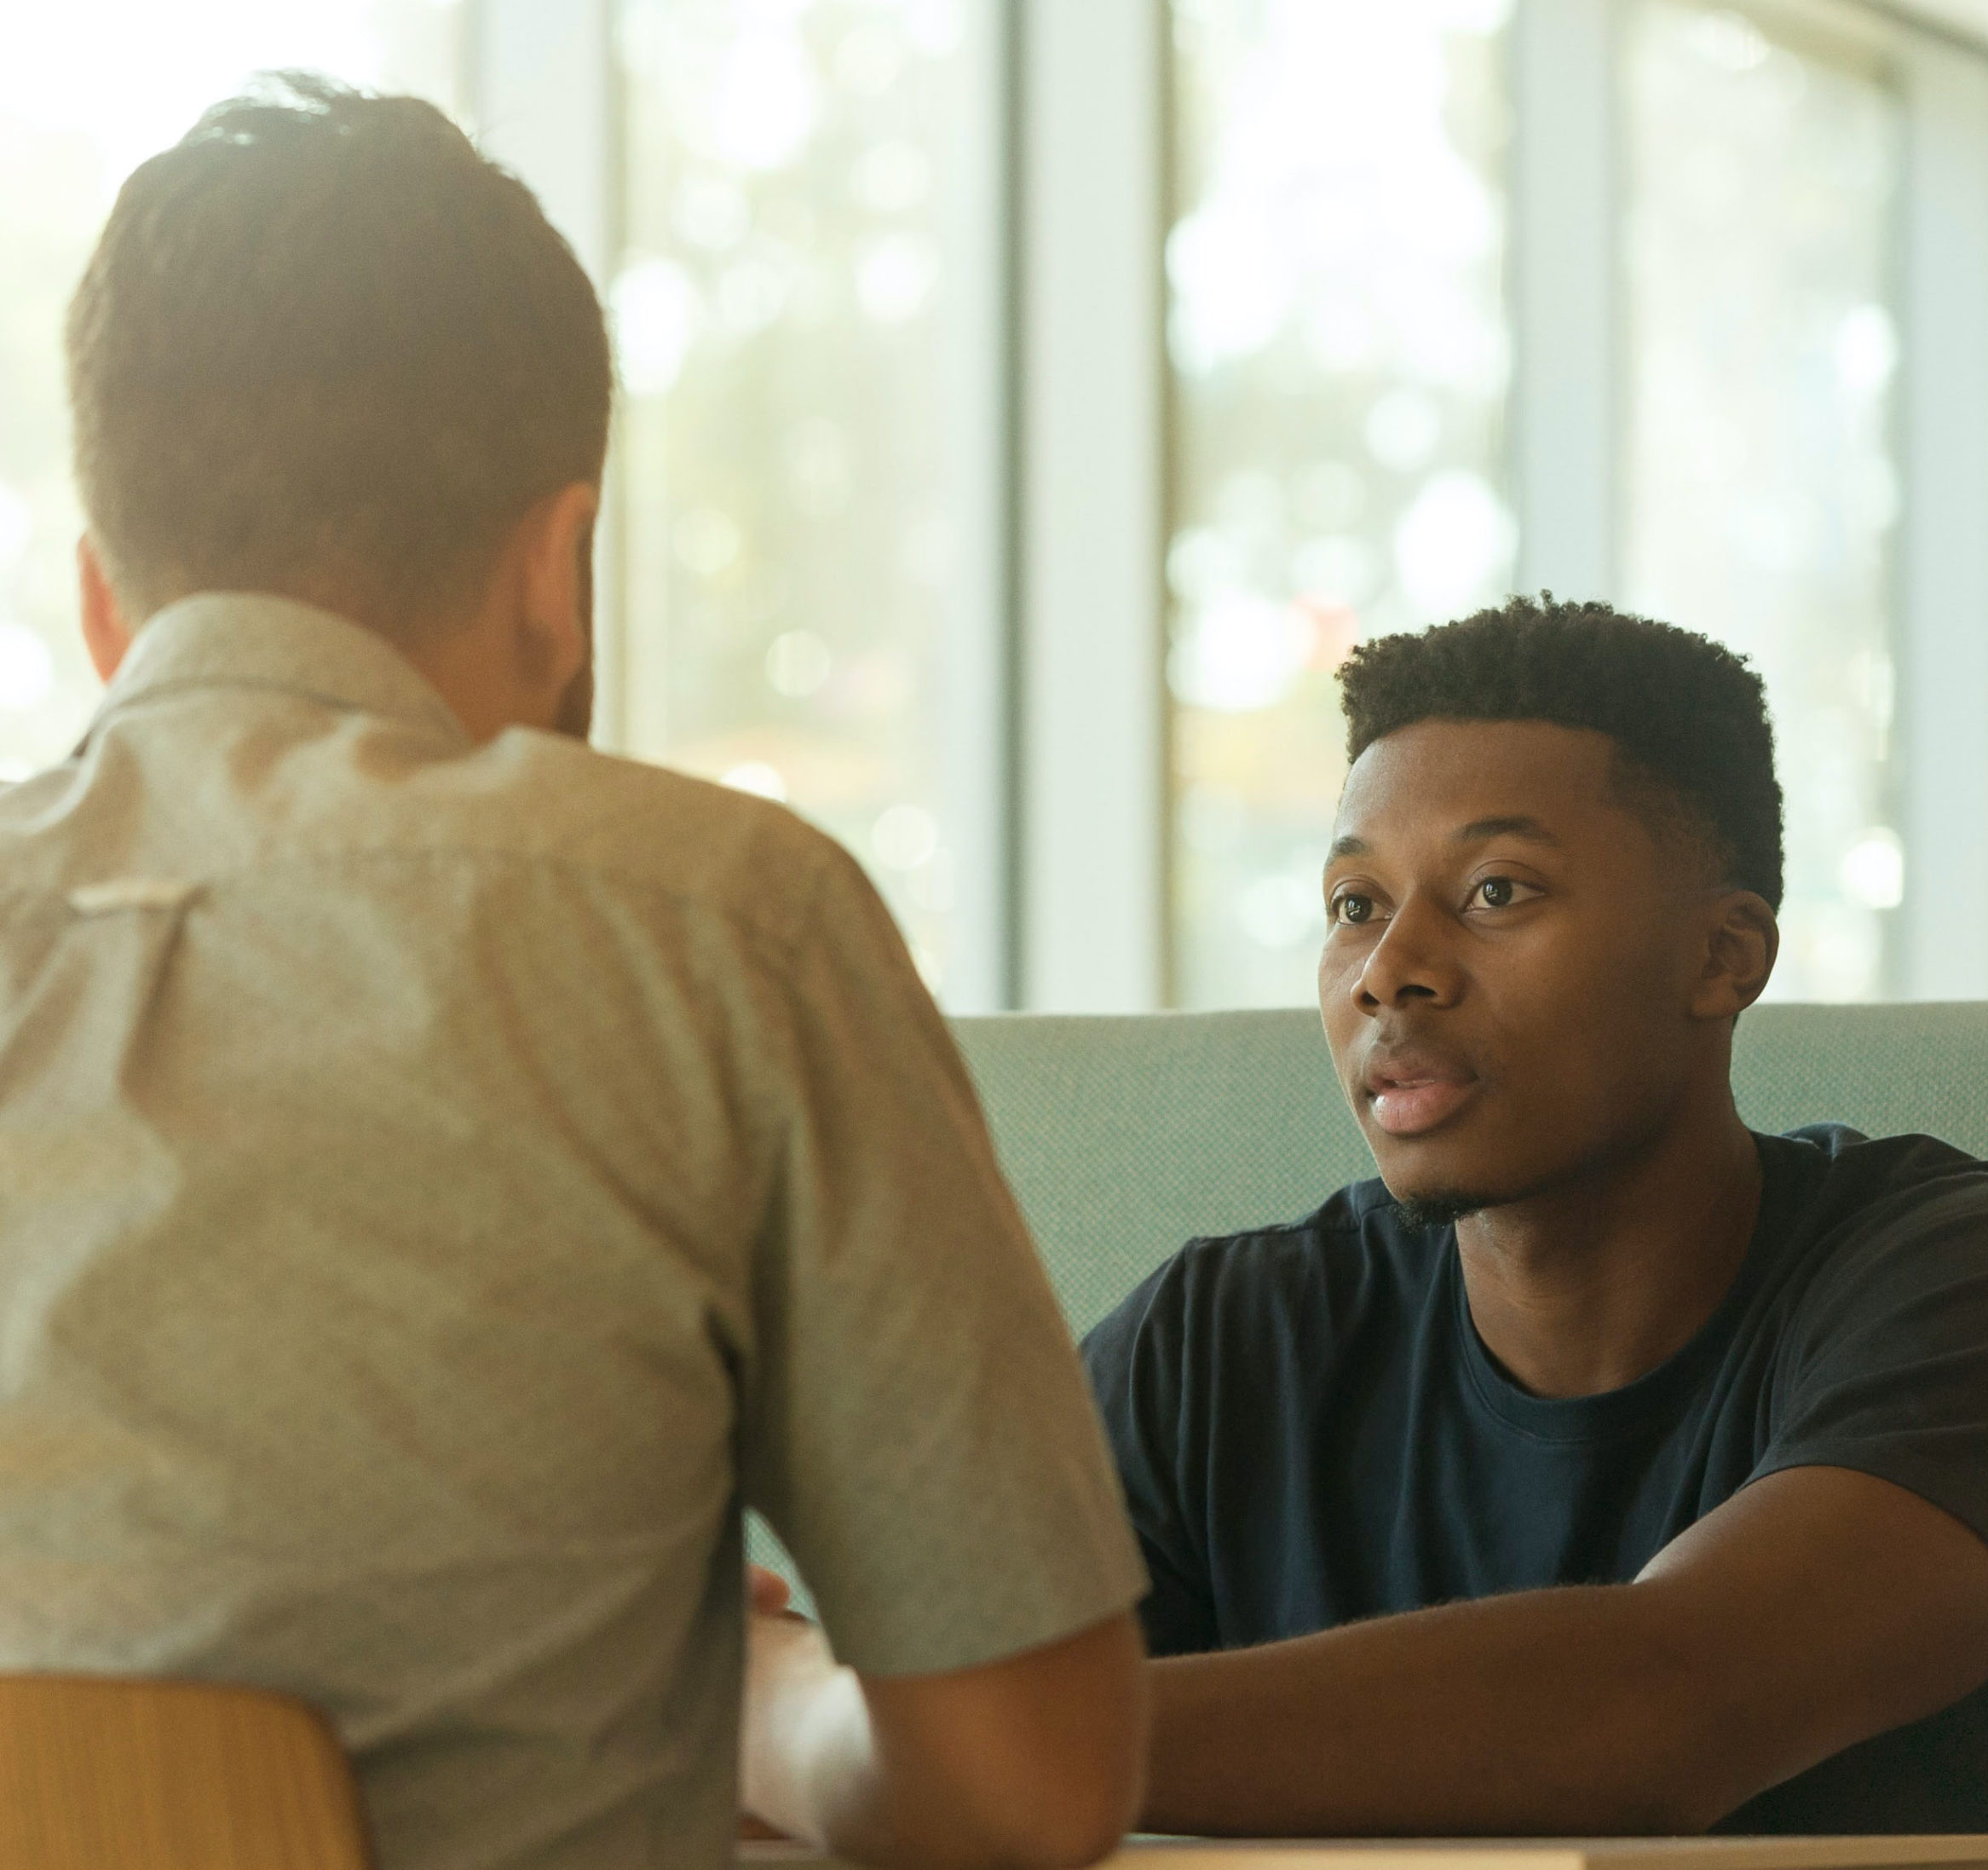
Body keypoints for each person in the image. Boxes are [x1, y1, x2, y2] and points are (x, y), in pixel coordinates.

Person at [2, 76, 1148, 1870]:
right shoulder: (721, 922)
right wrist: (757, 1699)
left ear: (100, 607)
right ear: (559, 567)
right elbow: (1026, 1784)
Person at [1083, 597, 1988, 1868]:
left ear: (1722, 957)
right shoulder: (1215, 1345)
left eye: (1497, 889)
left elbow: (1659, 1710)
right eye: (1353, 902)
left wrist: (966, 1736)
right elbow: (908, 1697)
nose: (1391, 967)